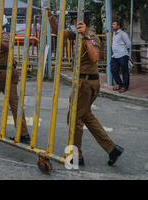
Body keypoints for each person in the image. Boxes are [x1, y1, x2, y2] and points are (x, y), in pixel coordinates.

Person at [49, 13, 124, 167]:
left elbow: (95, 57)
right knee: (86, 117)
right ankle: (112, 149)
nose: (73, 26)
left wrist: (85, 36)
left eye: (75, 23)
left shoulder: (91, 36)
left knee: (74, 119)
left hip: (86, 83)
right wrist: (50, 16)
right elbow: (58, 31)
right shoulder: (76, 35)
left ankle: (76, 157)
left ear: (84, 24)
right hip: (81, 82)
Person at [111, 20, 131, 93]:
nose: (112, 25)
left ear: (118, 26)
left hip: (122, 55)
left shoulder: (123, 34)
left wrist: (123, 51)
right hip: (114, 56)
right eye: (112, 24)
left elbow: (128, 44)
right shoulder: (114, 33)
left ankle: (125, 87)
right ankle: (120, 84)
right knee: (113, 70)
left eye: (114, 24)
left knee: (124, 71)